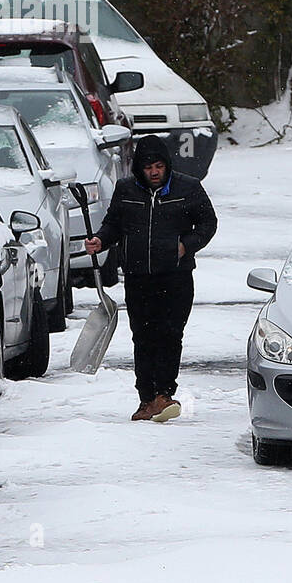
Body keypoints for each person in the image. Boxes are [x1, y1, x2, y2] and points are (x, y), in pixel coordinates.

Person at [85, 134, 218, 422]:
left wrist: (186, 245)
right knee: (144, 337)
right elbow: (114, 224)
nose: (154, 172)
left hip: (176, 276)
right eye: (148, 168)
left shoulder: (188, 188)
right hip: (138, 277)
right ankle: (146, 398)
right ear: (139, 170)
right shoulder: (126, 189)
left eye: (158, 166)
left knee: (170, 334)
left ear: (167, 165)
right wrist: (100, 240)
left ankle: (164, 394)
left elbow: (208, 223)